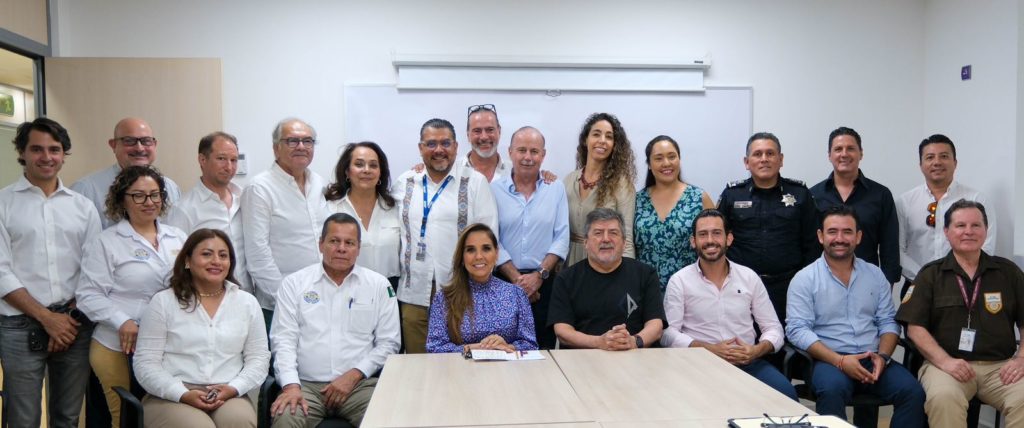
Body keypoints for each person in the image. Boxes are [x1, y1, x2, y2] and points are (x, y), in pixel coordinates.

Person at [0, 118, 101, 428]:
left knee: (68, 418)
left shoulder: (83, 207)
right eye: (37, 149)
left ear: (64, 154)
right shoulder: (3, 203)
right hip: (18, 326)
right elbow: (0, 271)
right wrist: (48, 319)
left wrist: (66, 319)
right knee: (22, 419)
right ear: (22, 152)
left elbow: (94, 270)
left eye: (54, 150)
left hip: (74, 327)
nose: (47, 157)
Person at [786, 206, 925, 427]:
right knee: (831, 390)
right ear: (821, 236)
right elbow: (797, 330)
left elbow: (888, 321)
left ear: (858, 237)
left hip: (874, 359)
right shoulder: (804, 279)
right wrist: (840, 361)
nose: (839, 238)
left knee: (913, 392)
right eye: (832, 232)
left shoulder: (875, 274)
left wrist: (884, 357)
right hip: (829, 360)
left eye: (847, 232)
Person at [76, 165, 188, 427]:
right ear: (122, 200)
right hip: (116, 345)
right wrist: (122, 321)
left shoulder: (178, 238)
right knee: (125, 417)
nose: (149, 202)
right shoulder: (107, 242)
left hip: (166, 343)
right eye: (138, 195)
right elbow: (87, 295)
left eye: (155, 194)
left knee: (162, 415)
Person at [897, 200, 1024, 428]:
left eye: (976, 225)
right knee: (943, 399)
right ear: (947, 232)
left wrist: (1022, 359)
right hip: (945, 365)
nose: (968, 231)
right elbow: (914, 327)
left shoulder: (1008, 272)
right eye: (960, 225)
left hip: (1000, 366)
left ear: (985, 231)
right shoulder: (930, 275)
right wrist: (946, 362)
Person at [270, 213, 400, 427]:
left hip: (359, 386)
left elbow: (389, 343)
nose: (341, 248)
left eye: (349, 243)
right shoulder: (294, 284)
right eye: (334, 241)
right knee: (285, 418)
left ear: (358, 248)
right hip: (305, 387)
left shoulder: (378, 285)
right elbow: (283, 341)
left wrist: (354, 375)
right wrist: (291, 386)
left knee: (389, 417)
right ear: (321, 244)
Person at [133, 229, 270, 428]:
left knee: (239, 422)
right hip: (172, 396)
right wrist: (182, 393)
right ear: (187, 261)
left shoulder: (247, 303)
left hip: (228, 394)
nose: (216, 261)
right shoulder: (163, 302)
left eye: (223, 255)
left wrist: (233, 388)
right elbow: (146, 364)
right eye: (207, 254)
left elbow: (258, 359)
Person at [661, 209, 796, 400]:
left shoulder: (749, 277)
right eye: (703, 234)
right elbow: (668, 334)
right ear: (693, 241)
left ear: (729, 239)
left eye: (716, 233)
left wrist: (756, 350)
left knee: (786, 395)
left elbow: (774, 329)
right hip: (698, 364)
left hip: (748, 363)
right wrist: (709, 349)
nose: (710, 240)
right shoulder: (680, 281)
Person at [392, 118, 498, 354]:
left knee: (460, 364)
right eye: (431, 144)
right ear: (421, 148)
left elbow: (490, 238)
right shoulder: (405, 182)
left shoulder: (475, 183)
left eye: (445, 143)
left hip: (461, 294)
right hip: (414, 293)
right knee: (417, 364)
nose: (438, 150)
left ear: (456, 147)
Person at [718, 132, 818, 324]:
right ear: (747, 162)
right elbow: (719, 240)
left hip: (789, 286)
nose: (764, 159)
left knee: (788, 343)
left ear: (781, 160)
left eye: (770, 153)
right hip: (740, 287)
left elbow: (812, 244)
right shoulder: (732, 195)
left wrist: (806, 283)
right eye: (757, 154)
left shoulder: (800, 194)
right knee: (743, 341)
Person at [242, 118, 327, 322]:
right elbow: (257, 254)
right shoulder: (260, 188)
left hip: (321, 299)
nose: (301, 147)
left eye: (308, 141)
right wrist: (287, 300)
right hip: (279, 306)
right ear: (276, 148)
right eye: (292, 141)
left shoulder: (319, 183)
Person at [492, 126, 569, 349]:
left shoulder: (556, 189)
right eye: (522, 150)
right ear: (510, 152)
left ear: (543, 155)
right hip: (504, 283)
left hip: (544, 285)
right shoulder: (494, 190)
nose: (528, 157)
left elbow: (562, 236)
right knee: (502, 348)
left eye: (534, 151)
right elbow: (492, 239)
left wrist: (539, 276)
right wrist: (517, 280)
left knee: (542, 349)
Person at [548, 208, 665, 350]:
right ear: (585, 242)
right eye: (598, 233)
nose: (606, 239)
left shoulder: (646, 274)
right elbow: (562, 331)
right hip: (585, 358)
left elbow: (656, 325)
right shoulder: (566, 279)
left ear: (624, 243)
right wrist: (599, 342)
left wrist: (634, 341)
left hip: (635, 356)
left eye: (613, 233)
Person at [897, 134, 995, 298]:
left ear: (955, 163)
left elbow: (987, 245)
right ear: (921, 165)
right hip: (917, 285)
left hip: (966, 286)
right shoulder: (905, 202)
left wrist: (959, 276)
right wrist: (924, 277)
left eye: (944, 156)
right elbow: (897, 249)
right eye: (930, 157)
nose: (937, 162)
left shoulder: (977, 199)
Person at [427, 223, 537, 353]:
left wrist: (506, 346)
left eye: (486, 248)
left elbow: (530, 345)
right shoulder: (444, 298)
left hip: (506, 370)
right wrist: (476, 348)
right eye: (470, 250)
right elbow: (434, 348)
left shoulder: (516, 294)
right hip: (460, 369)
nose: (479, 256)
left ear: (496, 254)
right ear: (462, 257)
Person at [810, 127, 900, 283]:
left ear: (861, 154)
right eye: (838, 149)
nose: (844, 154)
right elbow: (809, 245)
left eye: (850, 148)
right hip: (822, 283)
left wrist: (887, 285)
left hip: (869, 282)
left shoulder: (881, 195)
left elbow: (889, 246)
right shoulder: (813, 195)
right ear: (829, 155)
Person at [167, 131, 251, 293]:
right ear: (202, 160)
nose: (229, 167)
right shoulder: (184, 209)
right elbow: (175, 262)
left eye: (234, 160)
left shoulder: (244, 199)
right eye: (221, 159)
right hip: (205, 298)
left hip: (246, 297)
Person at [634, 135, 714, 291]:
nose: (666, 163)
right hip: (645, 289)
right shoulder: (637, 200)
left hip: (692, 289)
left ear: (679, 160)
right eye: (658, 158)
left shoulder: (698, 197)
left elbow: (716, 242)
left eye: (672, 157)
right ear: (649, 164)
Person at [71, 117, 181, 229]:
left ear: (154, 144)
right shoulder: (85, 190)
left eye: (146, 141)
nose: (139, 148)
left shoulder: (170, 187)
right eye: (129, 141)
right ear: (113, 145)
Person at [563, 113, 637, 266]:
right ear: (585, 140)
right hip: (568, 263)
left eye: (609, 137)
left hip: (605, 264)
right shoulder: (568, 180)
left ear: (615, 145)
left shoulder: (622, 185)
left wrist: (627, 277)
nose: (602, 141)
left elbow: (627, 238)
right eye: (596, 134)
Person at [324, 141, 400, 286]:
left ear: (380, 172)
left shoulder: (396, 207)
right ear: (347, 171)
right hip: (344, 286)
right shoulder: (330, 209)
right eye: (359, 164)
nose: (366, 170)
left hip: (391, 288)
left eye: (373, 165)